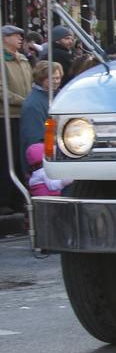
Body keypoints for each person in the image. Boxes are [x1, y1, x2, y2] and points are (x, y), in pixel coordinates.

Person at [0, 25, 32, 214]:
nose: (20, 39)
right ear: (5, 38)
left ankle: (19, 197)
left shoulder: (23, 59)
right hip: (6, 116)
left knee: (22, 157)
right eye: (15, 36)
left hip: (23, 115)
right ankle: (4, 199)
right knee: (6, 158)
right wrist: (23, 101)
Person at [19, 61, 62, 177]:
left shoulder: (57, 95)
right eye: (52, 78)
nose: (56, 81)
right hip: (42, 164)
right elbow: (35, 140)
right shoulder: (33, 104)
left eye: (58, 78)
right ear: (41, 79)